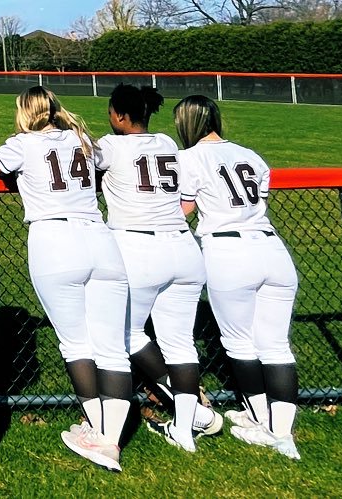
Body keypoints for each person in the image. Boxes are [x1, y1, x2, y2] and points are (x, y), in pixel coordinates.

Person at [0, 86, 132, 472]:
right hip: (99, 236)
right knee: (113, 347)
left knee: (75, 342)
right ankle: (109, 437)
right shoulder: (82, 138)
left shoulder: (23, 143)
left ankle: (99, 434)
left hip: (54, 240)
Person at [173, 95, 302, 460]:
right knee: (276, 345)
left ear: (186, 124)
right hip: (272, 248)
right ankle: (281, 431)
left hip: (227, 251)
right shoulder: (252, 155)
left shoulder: (188, 158)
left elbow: (185, 209)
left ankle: (264, 423)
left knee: (240, 343)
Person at [98, 84, 224, 452]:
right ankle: (187, 427)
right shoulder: (168, 143)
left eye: (111, 112)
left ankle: (125, 423)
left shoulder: (110, 145)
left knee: (124, 334)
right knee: (180, 342)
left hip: (137, 247)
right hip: (183, 247)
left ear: (120, 116)